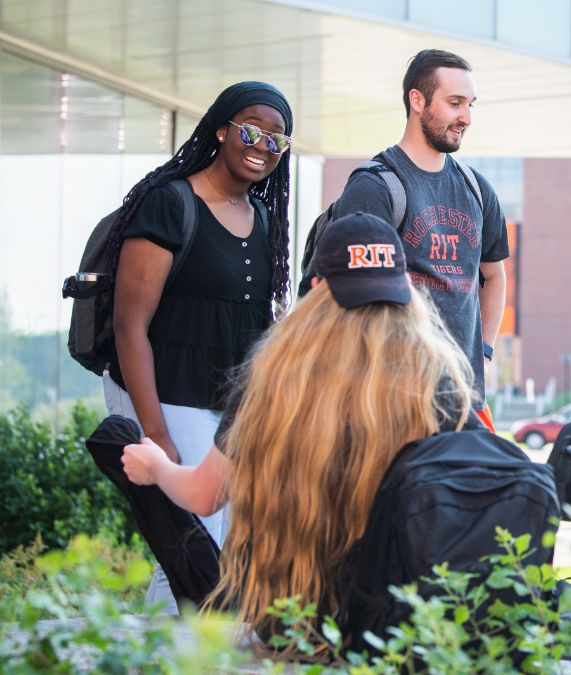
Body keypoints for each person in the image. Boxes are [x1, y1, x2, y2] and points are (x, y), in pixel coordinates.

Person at [121, 212, 476, 648]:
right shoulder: (437, 381)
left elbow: (204, 495)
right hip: (402, 623)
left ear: (316, 291)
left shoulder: (274, 377)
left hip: (294, 623)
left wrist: (155, 467)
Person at [102, 81, 293, 611]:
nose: (262, 145)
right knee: (198, 539)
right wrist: (156, 433)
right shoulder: (171, 203)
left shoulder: (265, 219)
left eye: (277, 139)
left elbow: (255, 333)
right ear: (222, 130)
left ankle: (163, 655)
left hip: (224, 409)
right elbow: (128, 325)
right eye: (251, 130)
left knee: (213, 547)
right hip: (164, 394)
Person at [327, 48, 508, 430]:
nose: (467, 118)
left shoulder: (477, 189)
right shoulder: (375, 186)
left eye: (471, 105)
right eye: (455, 103)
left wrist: (485, 354)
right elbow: (348, 300)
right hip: (394, 404)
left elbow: (495, 276)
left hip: (464, 402)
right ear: (417, 100)